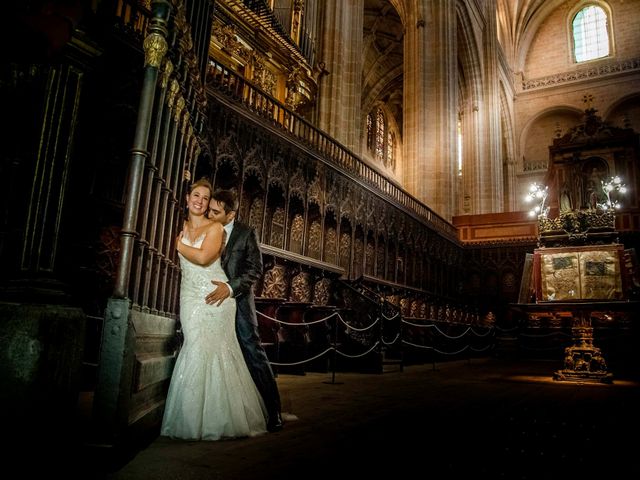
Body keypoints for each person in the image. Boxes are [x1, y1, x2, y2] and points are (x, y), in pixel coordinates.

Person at [161, 179, 267, 440]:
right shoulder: (179, 227)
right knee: (194, 349)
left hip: (216, 296)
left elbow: (204, 258)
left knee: (224, 352)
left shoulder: (215, 228)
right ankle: (190, 417)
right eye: (195, 195)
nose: (200, 201)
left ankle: (220, 419)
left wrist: (179, 245)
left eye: (205, 198)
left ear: (211, 205)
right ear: (187, 199)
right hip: (190, 296)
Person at [205, 188, 284, 432]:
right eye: (210, 209)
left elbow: (255, 269)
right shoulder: (205, 229)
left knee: (252, 351)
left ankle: (274, 412)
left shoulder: (246, 233)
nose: (210, 214)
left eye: (216, 212)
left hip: (238, 302)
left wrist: (230, 288)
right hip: (210, 304)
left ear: (231, 215)